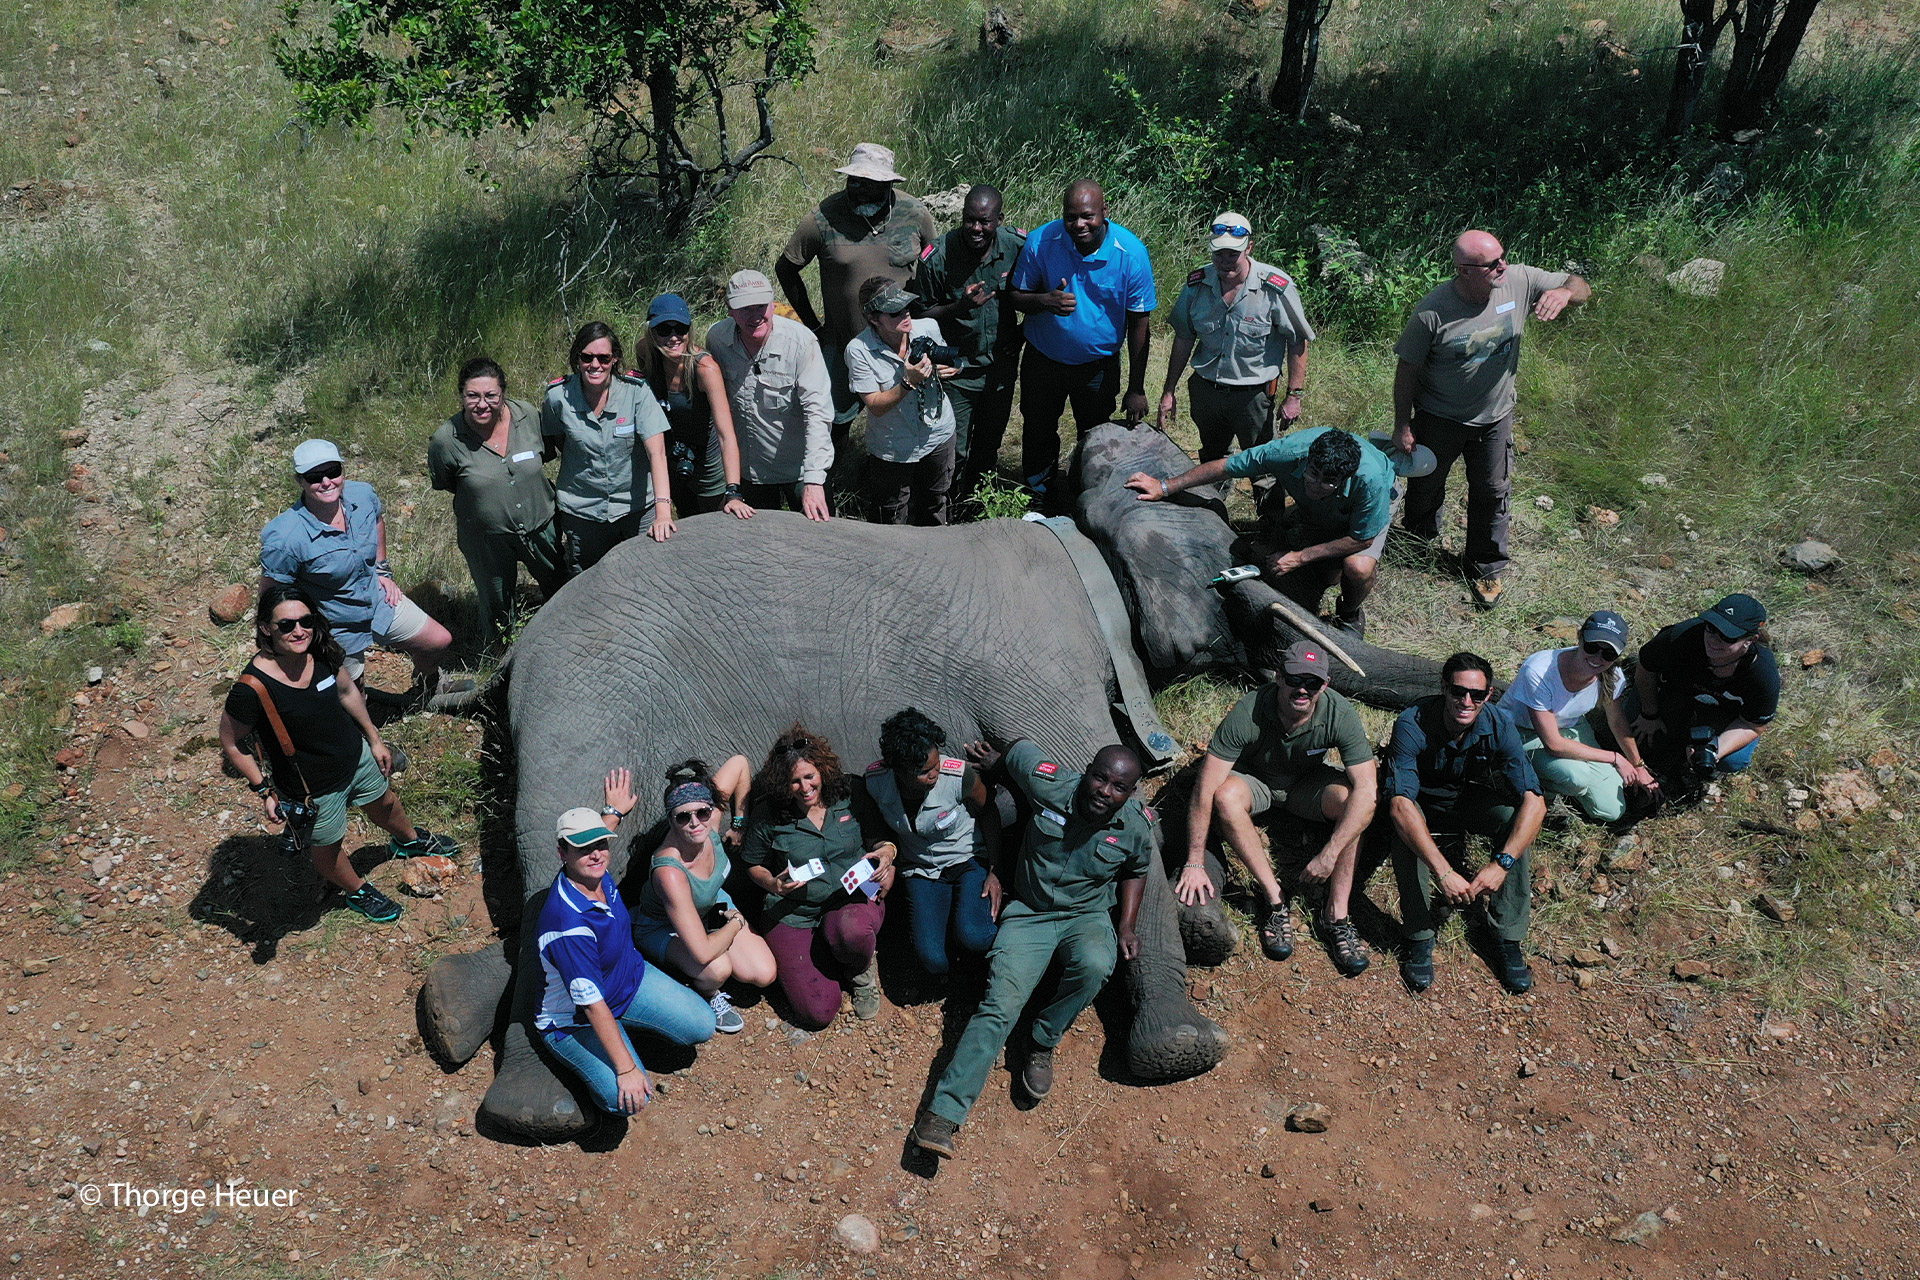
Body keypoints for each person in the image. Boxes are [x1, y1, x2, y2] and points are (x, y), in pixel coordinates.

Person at [909, 740, 1150, 1159]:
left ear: (1129, 793)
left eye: (1118, 786)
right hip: (1030, 911)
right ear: (1086, 770)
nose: (1103, 791)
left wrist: (1126, 924)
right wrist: (998, 762)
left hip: (1086, 916)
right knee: (999, 1005)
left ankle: (1041, 1041)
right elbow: (1019, 752)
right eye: (1099, 777)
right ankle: (942, 1115)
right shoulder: (1051, 783)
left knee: (1095, 965)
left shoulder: (1136, 826)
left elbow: (1136, 869)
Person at [218, 585, 460, 925]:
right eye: (286, 625)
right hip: (312, 788)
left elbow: (347, 692)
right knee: (327, 851)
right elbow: (231, 742)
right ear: (265, 628)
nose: (299, 631)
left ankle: (409, 841)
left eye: (306, 621)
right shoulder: (251, 689)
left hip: (355, 757)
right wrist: (264, 789)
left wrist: (374, 740)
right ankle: (358, 890)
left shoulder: (322, 653)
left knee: (386, 803)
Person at [1392, 229, 1591, 608]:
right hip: (1439, 416)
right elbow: (1407, 370)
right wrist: (1403, 424)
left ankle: (1485, 565)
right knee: (1427, 483)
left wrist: (1564, 293)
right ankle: (1417, 543)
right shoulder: (1433, 311)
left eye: (1504, 256)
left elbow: (1581, 285)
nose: (1503, 265)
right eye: (1492, 263)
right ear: (1465, 270)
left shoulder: (1518, 279)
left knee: (1492, 491)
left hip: (1494, 417)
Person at [1173, 641, 1378, 978]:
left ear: (1324, 686)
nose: (1303, 689)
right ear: (1279, 677)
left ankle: (1336, 916)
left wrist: (1329, 853)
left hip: (1306, 785)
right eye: (1295, 679)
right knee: (1224, 796)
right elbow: (1204, 788)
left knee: (1352, 805)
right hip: (1259, 783)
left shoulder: (1339, 713)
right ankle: (1275, 899)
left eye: (1313, 683)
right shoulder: (1249, 710)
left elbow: (1368, 792)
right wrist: (1194, 860)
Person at [533, 789, 717, 1118]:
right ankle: (585, 1059)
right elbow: (591, 1006)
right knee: (629, 1099)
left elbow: (594, 838)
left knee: (702, 1025)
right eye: (582, 848)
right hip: (576, 1021)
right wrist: (626, 1069)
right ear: (562, 853)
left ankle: (625, 1032)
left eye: (601, 844)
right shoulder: (567, 924)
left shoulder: (596, 870)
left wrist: (613, 811)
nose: (596, 855)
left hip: (629, 980)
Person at [1126, 426, 1396, 638]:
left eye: (1328, 481)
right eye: (1312, 474)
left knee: (1356, 569)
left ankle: (1350, 615)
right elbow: (1227, 467)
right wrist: (1166, 487)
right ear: (1307, 460)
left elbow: (1362, 538)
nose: (1316, 485)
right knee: (1325, 574)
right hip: (1326, 509)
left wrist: (1299, 557)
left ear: (1344, 479)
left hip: (1362, 517)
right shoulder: (1285, 453)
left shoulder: (1370, 484)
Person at [1385, 652, 1548, 994]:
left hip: (1468, 798)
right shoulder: (1412, 723)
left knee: (1512, 820)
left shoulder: (1499, 724)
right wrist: (1444, 872)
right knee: (1406, 831)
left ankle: (1506, 936)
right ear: (1444, 688)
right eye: (1458, 691)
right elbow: (1401, 803)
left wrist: (1502, 864)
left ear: (1489, 696)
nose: (1466, 701)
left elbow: (1535, 803)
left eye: (1477, 694)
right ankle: (1419, 933)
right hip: (1422, 803)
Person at [260, 439, 459, 697]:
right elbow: (271, 594)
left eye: (333, 472)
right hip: (334, 622)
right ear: (300, 481)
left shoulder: (362, 495)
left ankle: (428, 686)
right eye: (314, 476)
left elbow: (377, 521)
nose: (326, 482)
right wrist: (277, 638)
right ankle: (362, 731)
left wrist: (382, 570)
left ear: (343, 471)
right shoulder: (285, 537)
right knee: (352, 693)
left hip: (376, 598)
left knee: (438, 641)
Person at [776, 143, 937, 443]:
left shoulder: (914, 214)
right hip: (842, 346)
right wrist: (813, 326)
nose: (859, 189)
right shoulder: (824, 218)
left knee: (907, 416)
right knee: (830, 424)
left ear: (888, 183)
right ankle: (825, 484)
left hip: (900, 345)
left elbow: (933, 267)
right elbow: (786, 268)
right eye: (854, 180)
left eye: (869, 183)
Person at [1007, 179, 1157, 500]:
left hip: (1097, 367)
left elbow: (1140, 324)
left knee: (1095, 435)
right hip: (1043, 359)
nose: (1079, 224)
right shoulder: (1041, 242)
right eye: (1071, 216)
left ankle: (1085, 495)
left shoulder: (1130, 254)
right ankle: (1040, 493)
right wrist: (1045, 301)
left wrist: (1136, 388)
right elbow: (1015, 296)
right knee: (1037, 429)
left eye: (1087, 216)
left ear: (1105, 211)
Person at [738, 726, 895, 1028]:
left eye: (810, 777)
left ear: (822, 769)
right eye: (794, 781)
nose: (804, 787)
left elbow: (881, 839)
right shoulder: (769, 812)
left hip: (849, 901)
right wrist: (772, 883)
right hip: (793, 912)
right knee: (817, 1012)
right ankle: (825, 955)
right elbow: (752, 864)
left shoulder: (851, 792)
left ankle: (860, 973)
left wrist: (887, 854)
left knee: (851, 932)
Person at [1158, 212, 1315, 482]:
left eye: (1233, 253)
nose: (1225, 260)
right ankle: (1212, 512)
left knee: (1264, 464)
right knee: (1212, 458)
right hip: (1207, 391)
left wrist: (1294, 396)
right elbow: (1184, 337)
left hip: (1253, 397)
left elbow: (1297, 341)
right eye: (1219, 253)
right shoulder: (1197, 284)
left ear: (1249, 248)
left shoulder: (1274, 287)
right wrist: (1169, 390)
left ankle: (1270, 521)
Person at [849, 708, 1002, 980]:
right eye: (924, 771)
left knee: (975, 936)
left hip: (967, 860)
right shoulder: (876, 781)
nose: (935, 773)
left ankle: (988, 953)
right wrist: (886, 857)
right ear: (899, 771)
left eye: (936, 764)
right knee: (933, 961)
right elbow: (876, 827)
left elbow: (989, 813)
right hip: (921, 869)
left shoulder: (958, 776)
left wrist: (995, 870)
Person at [426, 357, 569, 644]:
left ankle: (566, 640)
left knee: (562, 588)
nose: (482, 404)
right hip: (485, 539)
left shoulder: (528, 416)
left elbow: (545, 456)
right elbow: (448, 482)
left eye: (491, 395)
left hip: (541, 525)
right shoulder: (446, 440)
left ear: (503, 393)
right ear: (461, 396)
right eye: (473, 396)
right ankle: (500, 659)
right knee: (497, 607)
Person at [627, 758, 774, 1035]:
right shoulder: (669, 872)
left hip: (710, 910)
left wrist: (739, 823)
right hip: (663, 926)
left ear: (710, 809)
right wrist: (735, 924)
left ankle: (706, 961)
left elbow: (740, 764)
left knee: (763, 973)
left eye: (702, 813)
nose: (695, 823)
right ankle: (704, 991)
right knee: (717, 969)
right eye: (683, 817)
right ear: (671, 820)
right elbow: (703, 951)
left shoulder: (712, 822)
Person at [913, 183, 1026, 502]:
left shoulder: (1017, 247)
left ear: (999, 220)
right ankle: (940, 508)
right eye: (969, 219)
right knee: (951, 449)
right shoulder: (938, 257)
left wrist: (1020, 335)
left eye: (985, 221)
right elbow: (919, 316)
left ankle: (974, 505)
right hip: (956, 372)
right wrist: (958, 308)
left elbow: (1035, 296)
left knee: (988, 447)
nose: (976, 228)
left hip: (1000, 371)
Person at [541, 320, 676, 574]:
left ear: (614, 359)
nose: (595, 365)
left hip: (635, 507)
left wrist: (663, 512)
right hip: (583, 510)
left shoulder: (636, 392)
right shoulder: (557, 397)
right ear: (577, 358)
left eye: (604, 358)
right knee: (588, 580)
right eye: (587, 357)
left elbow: (656, 453)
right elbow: (558, 442)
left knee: (649, 574)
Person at [1500, 610, 1658, 825]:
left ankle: (1562, 782)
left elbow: (1617, 722)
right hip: (1522, 732)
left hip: (1570, 726)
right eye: (1592, 647)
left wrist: (1638, 765)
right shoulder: (1539, 671)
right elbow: (1553, 744)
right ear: (1580, 638)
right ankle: (1534, 789)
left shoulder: (1613, 677)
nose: (1597, 658)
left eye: (1608, 654)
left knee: (1610, 811)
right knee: (1576, 777)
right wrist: (1616, 758)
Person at [705, 270, 834, 521]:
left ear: (773, 304)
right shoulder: (717, 339)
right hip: (751, 471)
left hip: (801, 470)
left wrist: (814, 480)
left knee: (820, 544)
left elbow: (818, 413)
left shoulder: (801, 343)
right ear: (730, 309)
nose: (755, 316)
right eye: (745, 308)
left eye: (761, 306)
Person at [1628, 593, 1779, 788]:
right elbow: (1647, 667)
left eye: (1727, 637)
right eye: (1711, 628)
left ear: (1750, 640)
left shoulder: (1762, 674)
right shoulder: (1682, 636)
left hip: (1723, 711)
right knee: (1637, 730)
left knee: (1732, 760)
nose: (1714, 640)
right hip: (1676, 691)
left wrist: (1714, 749)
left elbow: (1753, 725)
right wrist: (1649, 714)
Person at [846, 278, 961, 525]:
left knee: (936, 501)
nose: (906, 314)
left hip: (937, 435)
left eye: (907, 306)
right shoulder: (859, 351)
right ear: (874, 319)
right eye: (895, 312)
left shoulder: (928, 327)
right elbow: (875, 405)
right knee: (892, 514)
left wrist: (950, 368)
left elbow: (946, 358)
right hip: (893, 447)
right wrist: (908, 383)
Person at [632, 294, 756, 520]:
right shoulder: (646, 352)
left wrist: (733, 491)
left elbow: (725, 433)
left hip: (706, 459)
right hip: (671, 455)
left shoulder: (704, 369)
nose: (673, 337)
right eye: (663, 330)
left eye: (680, 328)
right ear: (651, 332)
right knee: (685, 520)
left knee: (715, 523)